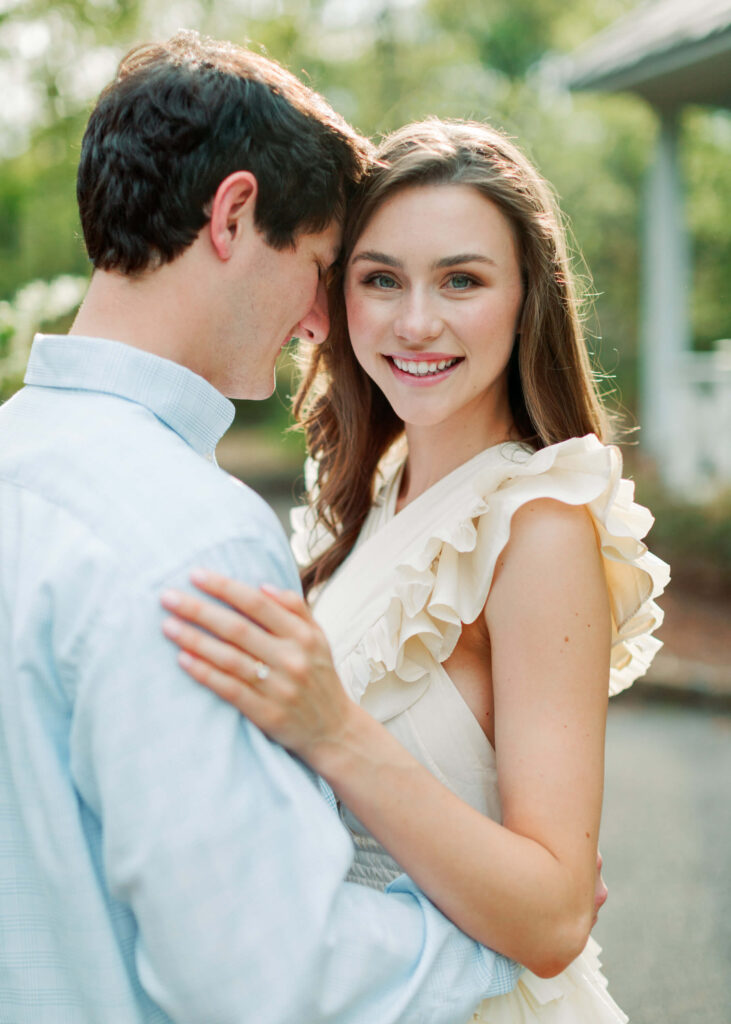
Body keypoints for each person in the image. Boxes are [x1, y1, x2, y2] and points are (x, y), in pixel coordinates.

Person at [0, 41, 528, 1024]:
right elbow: (261, 975)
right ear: (234, 214)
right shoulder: (194, 534)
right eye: (324, 267)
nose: (323, 323)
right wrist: (479, 944)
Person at [160, 119, 670, 1022]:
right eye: (380, 279)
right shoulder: (369, 494)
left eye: (461, 281)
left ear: (528, 298)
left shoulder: (535, 521)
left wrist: (332, 729)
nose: (416, 322)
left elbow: (554, 915)